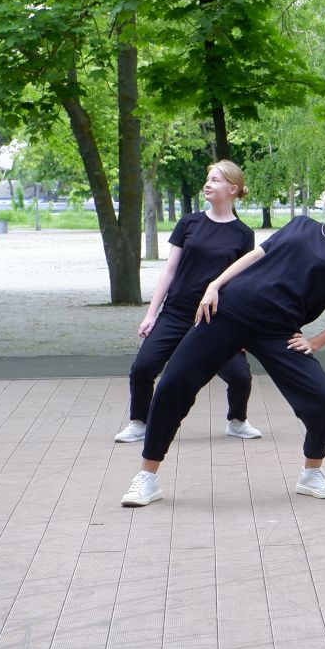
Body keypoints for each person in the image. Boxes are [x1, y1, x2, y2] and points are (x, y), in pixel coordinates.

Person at [119, 165, 325, 507]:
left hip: (277, 331)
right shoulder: (300, 225)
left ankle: (312, 473)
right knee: (173, 384)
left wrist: (315, 341)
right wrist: (214, 285)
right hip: (227, 312)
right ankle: (147, 477)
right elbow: (254, 256)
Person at [114, 160, 262, 445]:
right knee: (143, 368)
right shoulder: (189, 223)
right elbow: (169, 270)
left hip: (216, 318)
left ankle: (237, 420)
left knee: (240, 376)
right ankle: (139, 422)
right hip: (176, 312)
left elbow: (241, 281)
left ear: (232, 189)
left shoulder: (243, 234)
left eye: (215, 180)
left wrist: (242, 330)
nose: (208, 184)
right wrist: (151, 314)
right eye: (208, 178)